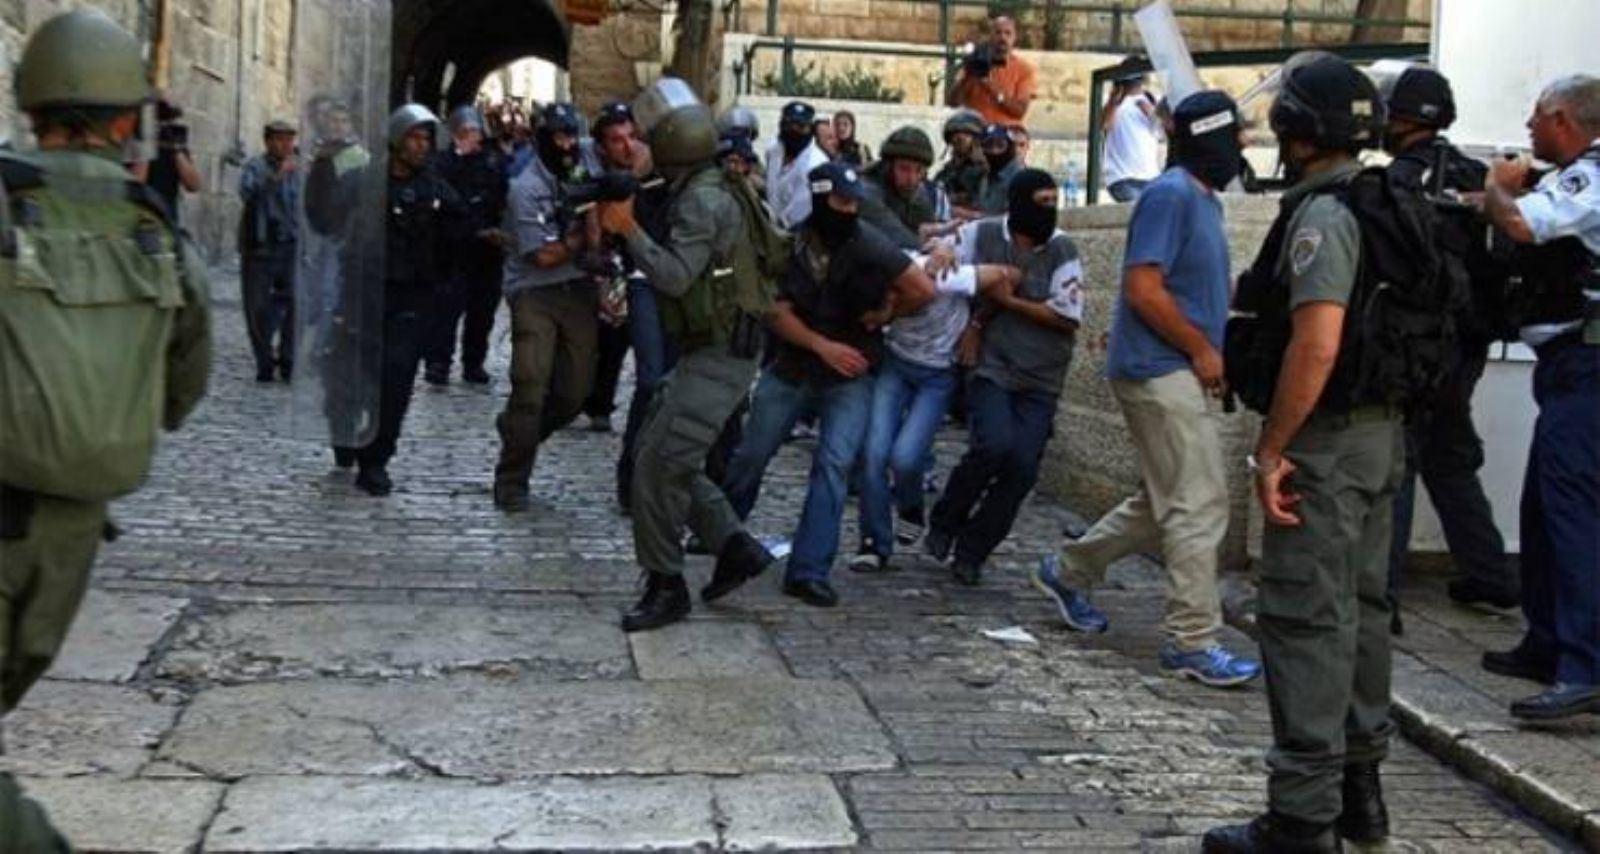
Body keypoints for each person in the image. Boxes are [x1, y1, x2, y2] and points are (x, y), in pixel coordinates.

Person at [0, 9, 211, 845]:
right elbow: (183, 388)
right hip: (70, 536)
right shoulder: (154, 230)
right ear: (128, 122)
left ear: (30, 106)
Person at [1203, 56, 1398, 853]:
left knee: (1305, 620)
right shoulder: (1388, 201)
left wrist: (1271, 450)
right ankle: (1360, 796)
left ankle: (1302, 819)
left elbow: (1315, 345)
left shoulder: (1325, 216)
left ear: (1300, 131)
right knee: (1362, 613)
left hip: (1325, 442)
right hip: (1381, 439)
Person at [1031, 91, 1261, 688]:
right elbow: (1143, 289)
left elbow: (1185, 286)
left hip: (1173, 367)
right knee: (1199, 502)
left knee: (1164, 499)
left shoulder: (1204, 201)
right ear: (1209, 137)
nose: (1242, 145)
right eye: (1234, 135)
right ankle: (1192, 639)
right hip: (1160, 369)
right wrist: (1202, 349)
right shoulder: (1171, 195)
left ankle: (1067, 570)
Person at [595, 78, 778, 632]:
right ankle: (735, 547)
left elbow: (674, 276)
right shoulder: (709, 182)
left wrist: (628, 230)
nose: (639, 146)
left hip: (721, 353)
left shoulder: (702, 199)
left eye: (648, 140)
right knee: (662, 452)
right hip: (715, 347)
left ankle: (666, 585)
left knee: (656, 468)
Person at [722, 162, 937, 607]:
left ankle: (809, 569)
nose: (849, 210)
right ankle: (720, 530)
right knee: (752, 453)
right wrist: (823, 347)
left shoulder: (870, 243)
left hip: (851, 371)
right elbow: (774, 311)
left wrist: (885, 315)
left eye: (854, 202)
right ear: (820, 199)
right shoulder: (790, 244)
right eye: (840, 202)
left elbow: (920, 288)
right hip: (794, 366)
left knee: (834, 465)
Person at [1475, 73, 1600, 722]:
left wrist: (1499, 187)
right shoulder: (1574, 177)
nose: (1527, 129)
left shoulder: (1591, 176)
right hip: (1567, 366)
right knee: (1545, 507)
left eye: (1535, 117)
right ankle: (1547, 641)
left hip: (1589, 367)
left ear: (1561, 119)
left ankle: (1587, 668)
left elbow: (1522, 224)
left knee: (1574, 513)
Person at [1377, 66, 1518, 628]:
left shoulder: (1397, 182)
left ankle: (1381, 597)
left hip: (1416, 345)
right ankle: (1489, 574)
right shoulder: (1478, 178)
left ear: (1400, 118)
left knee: (1401, 460)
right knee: (1449, 455)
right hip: (1469, 344)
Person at [923, 169, 1084, 587]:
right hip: (993, 365)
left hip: (1041, 376)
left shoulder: (1062, 249)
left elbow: (1066, 316)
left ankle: (973, 550)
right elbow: (944, 245)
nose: (1048, 210)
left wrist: (1009, 302)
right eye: (1041, 201)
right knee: (992, 445)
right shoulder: (987, 233)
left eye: (1052, 202)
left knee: (1022, 468)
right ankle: (946, 520)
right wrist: (942, 249)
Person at [307, 104, 464, 496]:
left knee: (396, 379)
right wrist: (321, 170)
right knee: (345, 374)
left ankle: (376, 459)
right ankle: (345, 434)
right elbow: (324, 218)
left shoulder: (435, 190)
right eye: (414, 137)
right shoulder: (363, 182)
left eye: (426, 139)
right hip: (361, 293)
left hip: (409, 298)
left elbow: (459, 238)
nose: (421, 146)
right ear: (396, 140)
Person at [492, 103, 602, 510]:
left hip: (578, 288)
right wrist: (581, 237)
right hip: (535, 291)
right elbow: (542, 256)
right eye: (559, 137)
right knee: (529, 384)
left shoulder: (586, 163)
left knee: (574, 392)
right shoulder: (525, 188)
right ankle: (512, 480)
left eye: (571, 135)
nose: (567, 145)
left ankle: (519, 432)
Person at [426, 105, 509, 387]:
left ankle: (473, 362)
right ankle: (439, 362)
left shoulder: (493, 162)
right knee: (446, 311)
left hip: (487, 252)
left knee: (482, 312)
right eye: (465, 132)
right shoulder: (442, 163)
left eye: (474, 131)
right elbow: (441, 202)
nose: (471, 136)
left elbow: (502, 198)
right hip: (453, 251)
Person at [580, 102, 648, 433]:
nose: (627, 146)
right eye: (617, 139)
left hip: (646, 265)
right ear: (602, 146)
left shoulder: (651, 173)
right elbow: (592, 231)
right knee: (607, 337)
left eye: (631, 136)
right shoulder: (592, 179)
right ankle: (595, 400)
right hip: (610, 264)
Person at [238, 119, 303, 383]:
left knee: (295, 303)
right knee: (257, 307)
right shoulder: (255, 166)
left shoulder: (300, 169)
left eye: (289, 139)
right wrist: (277, 177)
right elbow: (248, 193)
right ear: (267, 141)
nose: (285, 145)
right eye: (279, 139)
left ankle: (288, 358)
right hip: (261, 246)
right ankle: (264, 360)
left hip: (292, 245)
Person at [946, 12, 1036, 126]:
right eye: (998, 33)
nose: (1002, 37)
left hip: (1006, 130)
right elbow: (952, 104)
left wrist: (991, 87)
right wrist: (966, 77)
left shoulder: (1024, 69)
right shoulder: (976, 62)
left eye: (1007, 33)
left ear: (1014, 37)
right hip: (975, 128)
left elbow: (1019, 111)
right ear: (991, 36)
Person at [766, 101, 832, 230]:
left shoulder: (816, 165)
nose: (794, 130)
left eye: (801, 126)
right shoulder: (773, 150)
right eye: (789, 124)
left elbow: (793, 218)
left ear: (810, 129)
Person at [1101, 67, 1164, 202]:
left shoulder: (1151, 100)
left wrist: (1152, 114)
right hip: (1122, 176)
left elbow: (1162, 133)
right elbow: (1105, 125)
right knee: (1134, 209)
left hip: (1151, 176)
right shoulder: (1113, 100)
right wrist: (1113, 102)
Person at [136, 97, 203, 223]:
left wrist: (176, 150)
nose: (163, 124)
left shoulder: (171, 143)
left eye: (167, 119)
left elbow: (193, 185)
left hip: (167, 216)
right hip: (140, 213)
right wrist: (146, 143)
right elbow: (135, 185)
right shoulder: (135, 142)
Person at [936, 108, 988, 215]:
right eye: (955, 134)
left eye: (967, 134)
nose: (960, 138)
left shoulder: (987, 171)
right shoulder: (945, 173)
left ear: (977, 140)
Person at [975, 123, 1023, 215]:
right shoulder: (984, 175)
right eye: (988, 146)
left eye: (1000, 146)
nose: (994, 151)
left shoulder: (1018, 177)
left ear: (1010, 147)